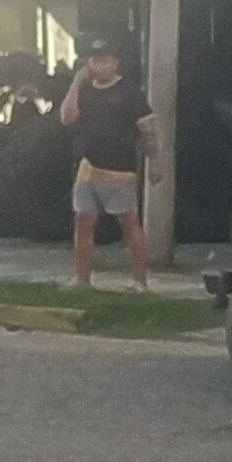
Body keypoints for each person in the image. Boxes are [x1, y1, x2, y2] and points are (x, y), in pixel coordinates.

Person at [60, 37, 162, 290]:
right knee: (83, 221)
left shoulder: (130, 92)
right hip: (87, 168)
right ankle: (82, 280)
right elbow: (67, 118)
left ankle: (139, 280)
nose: (99, 65)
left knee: (128, 222)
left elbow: (147, 128)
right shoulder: (85, 91)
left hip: (120, 169)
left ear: (115, 63)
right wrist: (77, 81)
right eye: (94, 60)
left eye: (104, 60)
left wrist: (155, 161)